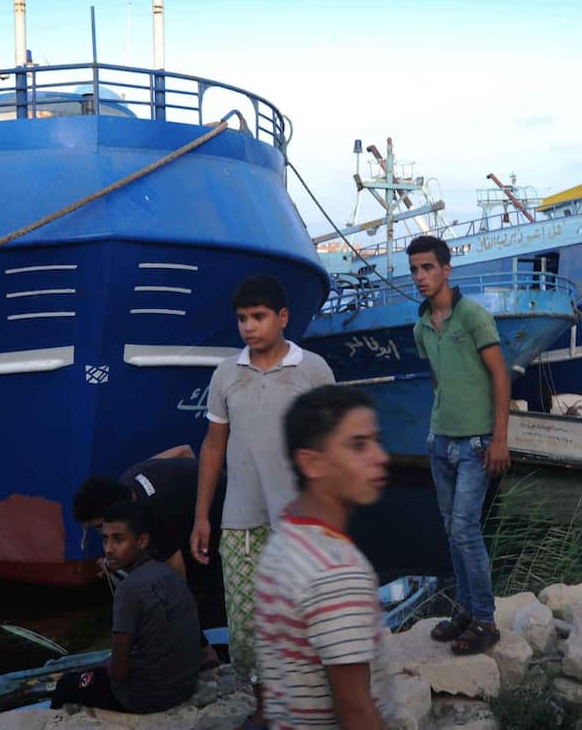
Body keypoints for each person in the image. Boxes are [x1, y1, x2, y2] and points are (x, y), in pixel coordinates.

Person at [190, 274, 335, 730]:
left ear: (282, 318)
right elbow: (214, 446)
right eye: (242, 319)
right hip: (240, 520)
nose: (249, 327)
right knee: (248, 626)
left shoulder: (312, 370)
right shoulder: (226, 375)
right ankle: (265, 705)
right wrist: (201, 517)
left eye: (258, 317)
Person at [254, 385, 390, 729]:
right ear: (311, 463)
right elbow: (355, 711)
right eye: (359, 445)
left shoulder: (286, 534)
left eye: (376, 440)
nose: (381, 456)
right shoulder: (338, 572)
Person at [407, 234, 509, 655]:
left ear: (446, 270)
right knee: (452, 531)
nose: (420, 277)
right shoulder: (420, 327)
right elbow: (438, 378)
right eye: (414, 269)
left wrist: (500, 439)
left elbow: (501, 377)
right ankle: (465, 611)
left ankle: (485, 620)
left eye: (427, 268)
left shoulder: (473, 317)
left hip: (476, 445)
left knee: (466, 529)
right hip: (440, 444)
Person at [72, 447, 227, 667]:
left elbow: (177, 589)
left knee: (185, 591)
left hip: (226, 515)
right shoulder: (127, 480)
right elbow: (184, 452)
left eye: (98, 528)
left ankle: (208, 653)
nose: (100, 536)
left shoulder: (157, 521)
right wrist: (188, 492)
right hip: (203, 499)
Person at [51, 501, 200, 714]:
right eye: (105, 539)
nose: (109, 549)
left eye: (118, 540)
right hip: (184, 688)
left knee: (65, 684)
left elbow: (119, 673)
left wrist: (103, 666)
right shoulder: (168, 573)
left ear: (141, 541)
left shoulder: (129, 589)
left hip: (142, 698)